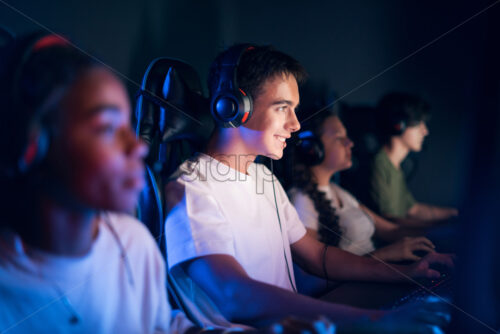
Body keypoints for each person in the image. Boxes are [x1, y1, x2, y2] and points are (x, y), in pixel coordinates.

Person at [164, 44, 453, 332]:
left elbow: (316, 256)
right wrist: (375, 321)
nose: (295, 124)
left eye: (295, 110)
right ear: (234, 107)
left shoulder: (263, 178)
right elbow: (234, 296)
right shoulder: (191, 189)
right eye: (282, 108)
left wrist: (405, 274)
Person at [0, 32, 194, 333]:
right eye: (107, 127)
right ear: (31, 145)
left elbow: (161, 326)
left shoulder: (133, 240)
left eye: (128, 126)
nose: (138, 146)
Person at [289, 109, 436, 262]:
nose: (350, 143)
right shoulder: (301, 201)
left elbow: (393, 230)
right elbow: (315, 270)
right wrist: (384, 254)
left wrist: (446, 233)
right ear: (311, 149)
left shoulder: (338, 191)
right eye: (340, 138)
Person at [367, 92, 458, 226]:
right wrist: (442, 228)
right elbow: (390, 221)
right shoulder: (379, 164)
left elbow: (414, 210)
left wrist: (455, 214)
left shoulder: (396, 166)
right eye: (419, 124)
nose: (425, 131)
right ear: (398, 124)